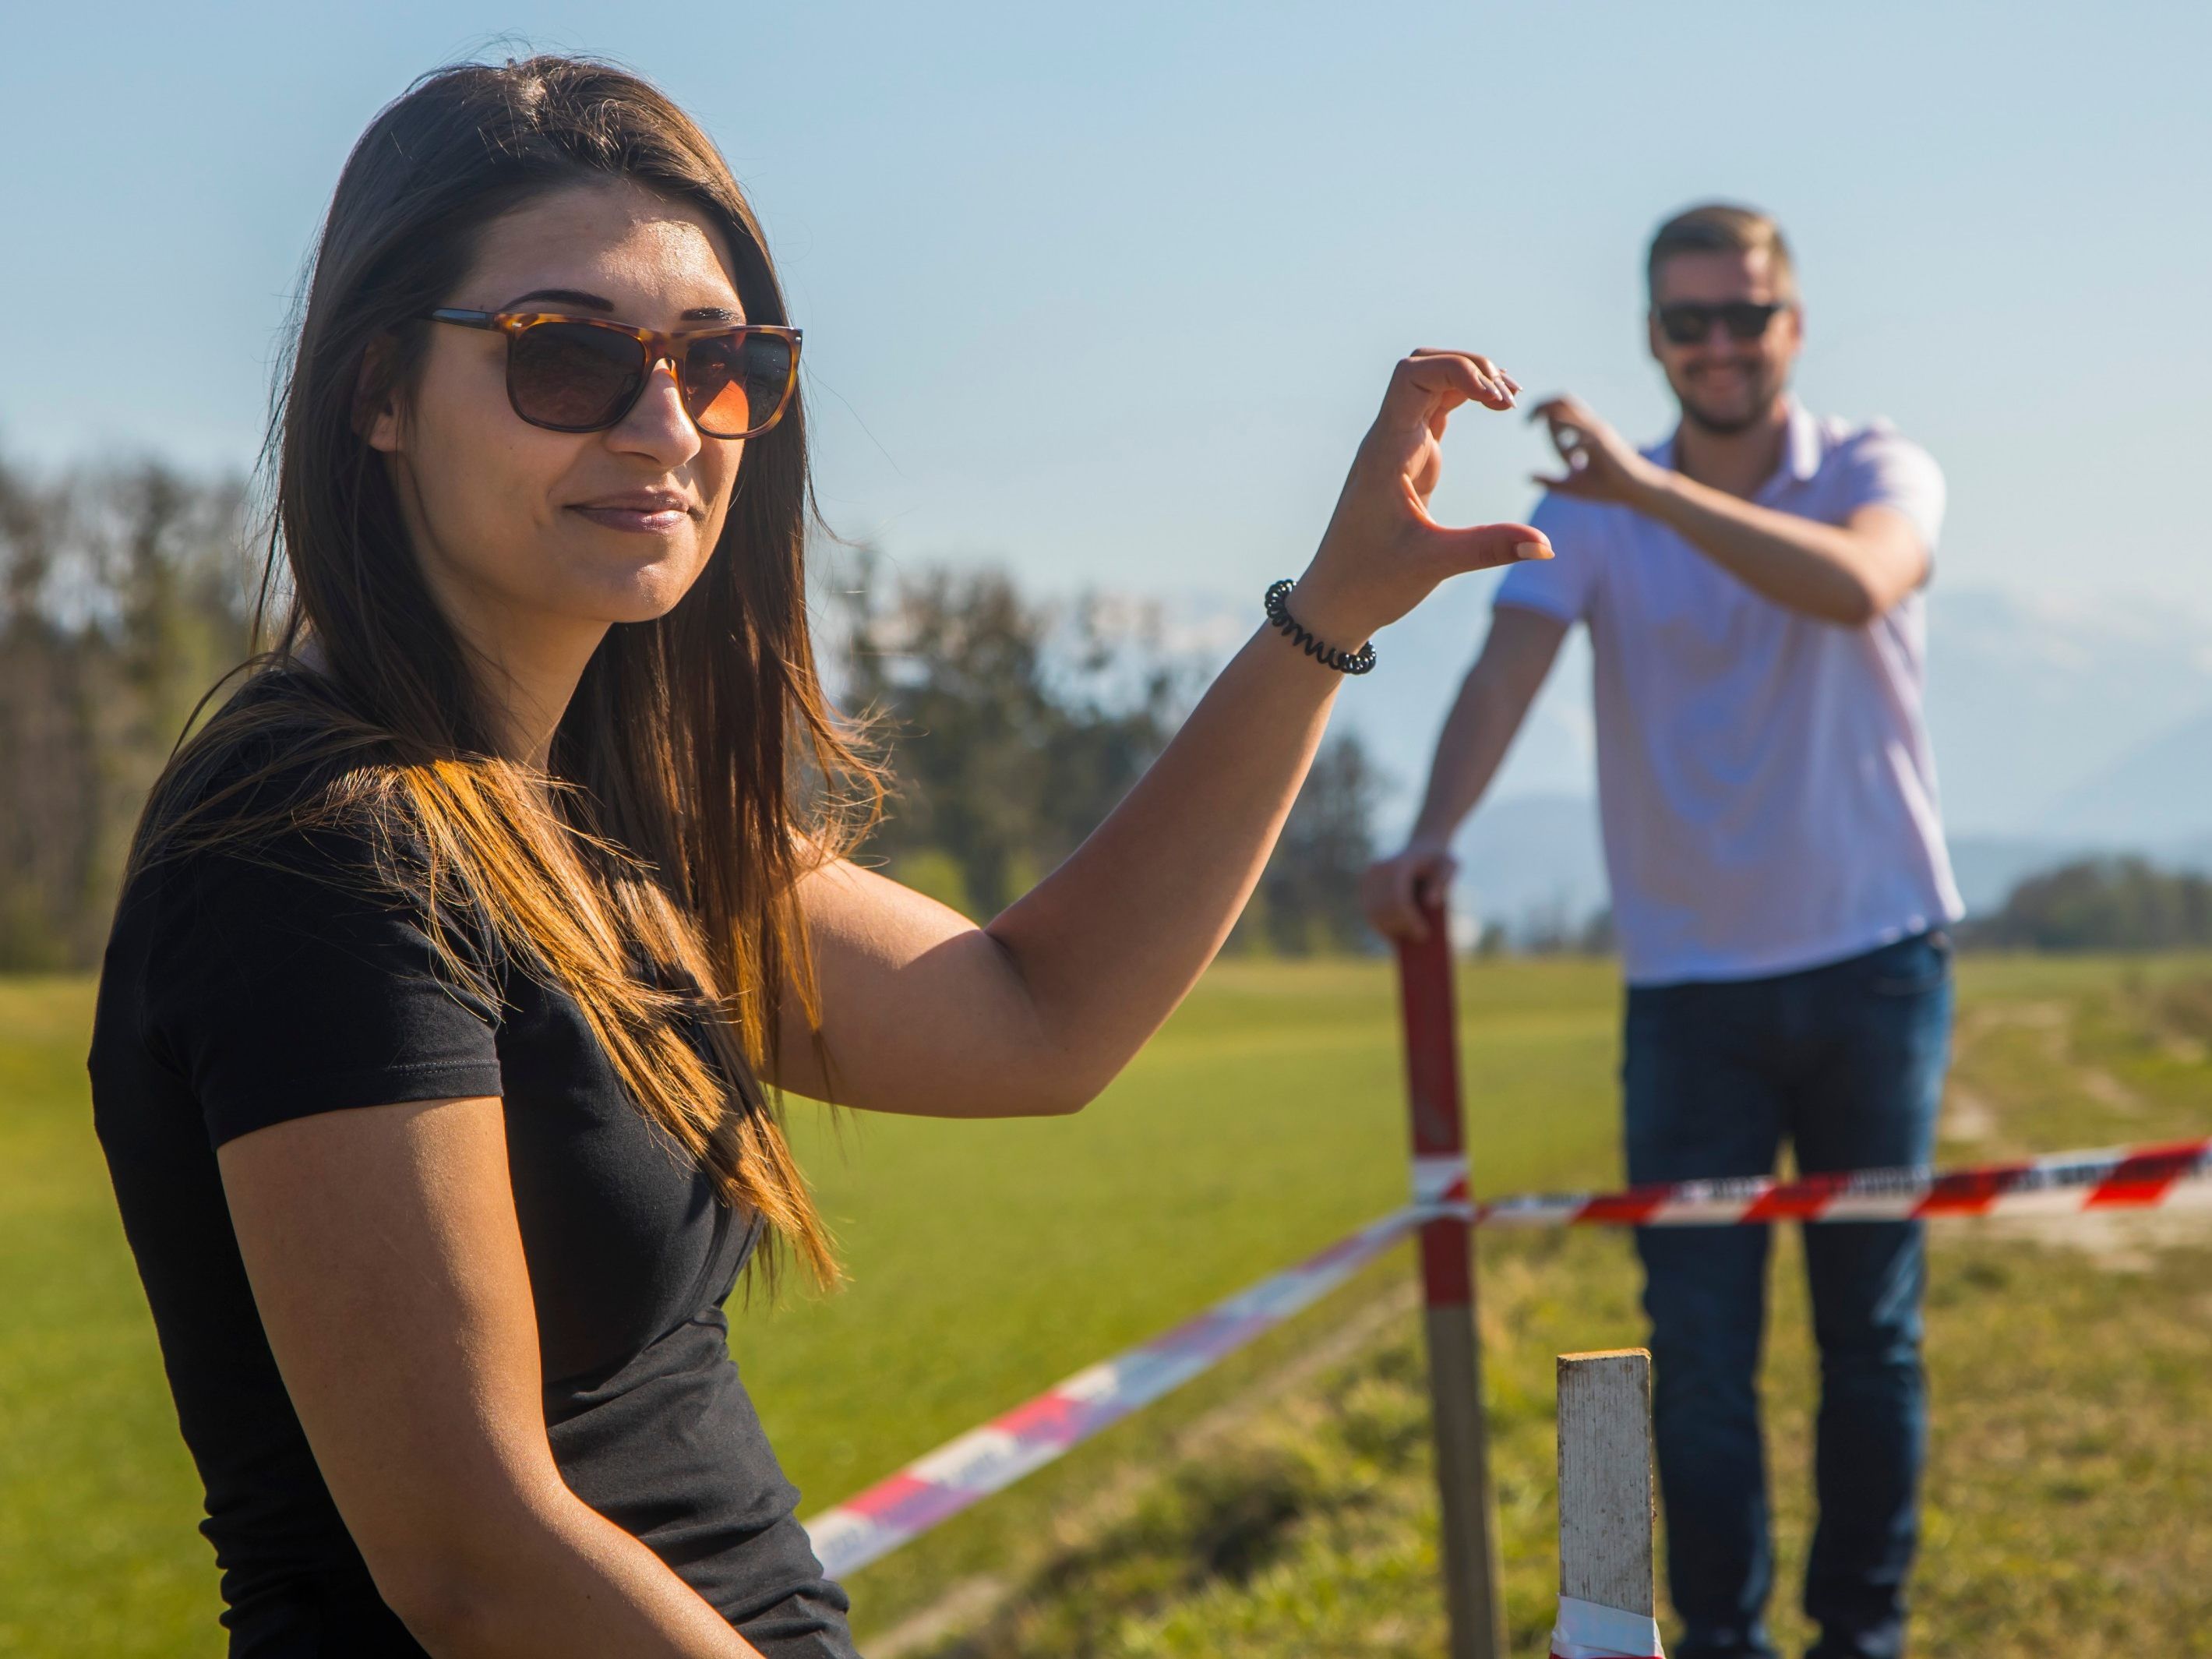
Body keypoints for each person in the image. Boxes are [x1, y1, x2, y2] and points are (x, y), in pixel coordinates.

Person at [87, 54, 1551, 1659]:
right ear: (377, 391)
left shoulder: (586, 813)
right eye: (563, 356)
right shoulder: (322, 849)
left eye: (716, 363)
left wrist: (1324, 616)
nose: (663, 426)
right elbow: (471, 1556)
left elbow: (1039, 1018)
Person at [1364, 203, 1959, 1659]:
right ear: (1653, 337)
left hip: (1878, 959)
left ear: (1792, 328)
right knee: (1697, 1358)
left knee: (1868, 1339)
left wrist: (1641, 488)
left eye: (1744, 315)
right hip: (1686, 985)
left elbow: (1854, 585)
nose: (1717, 343)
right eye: (1687, 320)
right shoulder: (1595, 512)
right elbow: (1508, 671)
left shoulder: (1877, 467)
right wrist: (1434, 832)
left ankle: (1860, 1637)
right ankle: (1721, 1641)